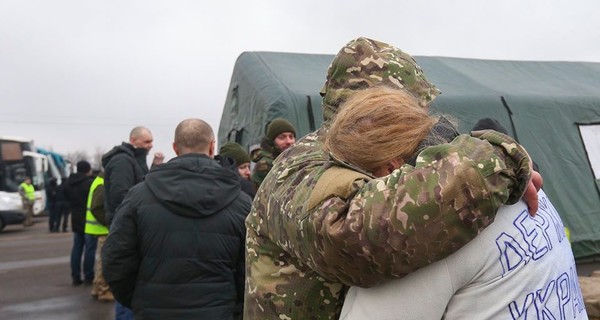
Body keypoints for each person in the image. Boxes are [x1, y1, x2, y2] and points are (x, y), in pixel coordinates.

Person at [244, 37, 541, 319]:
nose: (422, 119)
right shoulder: (298, 169)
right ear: (377, 111)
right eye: (411, 110)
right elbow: (355, 239)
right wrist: (496, 162)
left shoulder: (367, 157)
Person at [103, 118, 252, 319]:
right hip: (218, 311)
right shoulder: (241, 203)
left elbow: (115, 259)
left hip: (154, 310)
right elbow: (252, 267)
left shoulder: (138, 196)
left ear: (175, 148)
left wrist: (139, 300)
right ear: (211, 147)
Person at [101, 125, 164, 319]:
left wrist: (154, 167)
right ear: (133, 140)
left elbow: (141, 184)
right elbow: (122, 195)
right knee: (128, 279)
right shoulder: (122, 161)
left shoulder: (134, 160)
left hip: (131, 225)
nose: (150, 145)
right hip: (126, 228)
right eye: (147, 142)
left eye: (151, 141)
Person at [63, 160, 96, 286]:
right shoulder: (90, 183)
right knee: (90, 249)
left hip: (75, 218)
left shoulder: (68, 183)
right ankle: (89, 276)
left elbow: (65, 198)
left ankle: (75, 277)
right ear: (88, 170)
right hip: (89, 219)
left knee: (77, 248)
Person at [84, 172, 114, 302]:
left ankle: (97, 287)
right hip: (102, 228)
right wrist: (109, 222)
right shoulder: (102, 184)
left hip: (97, 228)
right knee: (104, 262)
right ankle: (103, 290)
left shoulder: (98, 181)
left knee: (101, 261)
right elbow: (96, 208)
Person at [251, 118, 296, 188]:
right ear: (271, 141)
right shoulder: (266, 165)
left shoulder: (295, 159)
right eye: (282, 137)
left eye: (291, 137)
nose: (289, 141)